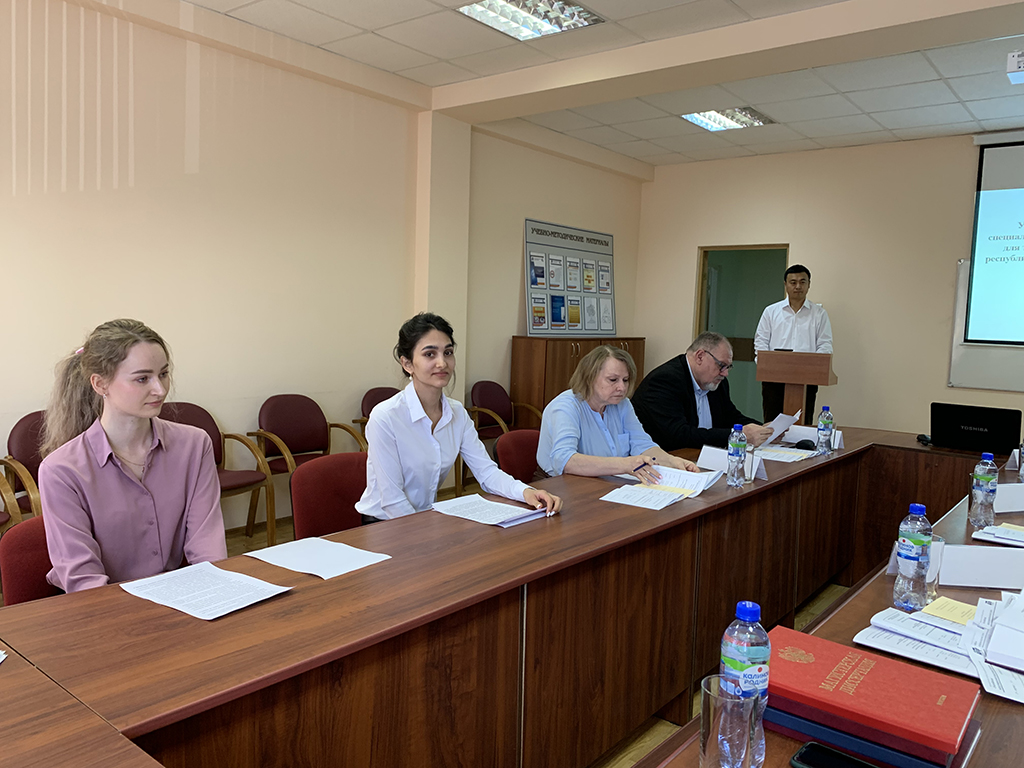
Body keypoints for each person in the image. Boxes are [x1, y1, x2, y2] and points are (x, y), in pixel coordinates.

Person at [38, 319, 227, 593]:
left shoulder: (195, 445)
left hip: (179, 598)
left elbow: (207, 547)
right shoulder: (60, 470)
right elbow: (84, 581)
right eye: (142, 379)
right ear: (100, 384)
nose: (160, 389)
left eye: (163, 374)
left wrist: (216, 596)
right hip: (103, 607)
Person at [357, 313, 562, 521]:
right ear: (407, 363)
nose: (442, 363)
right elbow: (392, 501)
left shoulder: (457, 414)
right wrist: (425, 534)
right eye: (430, 354)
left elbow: (486, 472)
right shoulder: (385, 417)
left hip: (424, 519)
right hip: (383, 523)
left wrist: (526, 492)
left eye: (447, 353)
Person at [537, 345, 699, 482]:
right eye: (613, 380)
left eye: (625, 380)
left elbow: (642, 445)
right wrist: (625, 464)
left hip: (608, 481)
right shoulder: (565, 407)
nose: (622, 388)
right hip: (561, 484)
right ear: (589, 378)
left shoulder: (622, 404)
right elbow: (565, 461)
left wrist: (672, 462)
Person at [632, 332, 773, 451]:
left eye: (728, 367)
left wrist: (764, 430)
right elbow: (679, 435)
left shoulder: (715, 381)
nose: (725, 373)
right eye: (721, 365)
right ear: (700, 356)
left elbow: (730, 416)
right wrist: (737, 435)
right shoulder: (665, 381)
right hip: (666, 458)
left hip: (702, 456)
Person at [754, 264, 833, 424]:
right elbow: (761, 342)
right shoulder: (771, 311)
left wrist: (815, 368)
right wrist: (765, 365)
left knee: (803, 424)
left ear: (809, 284)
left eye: (802, 282)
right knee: (772, 424)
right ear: (785, 284)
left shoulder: (819, 314)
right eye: (793, 282)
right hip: (773, 378)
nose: (798, 286)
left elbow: (825, 345)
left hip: (807, 380)